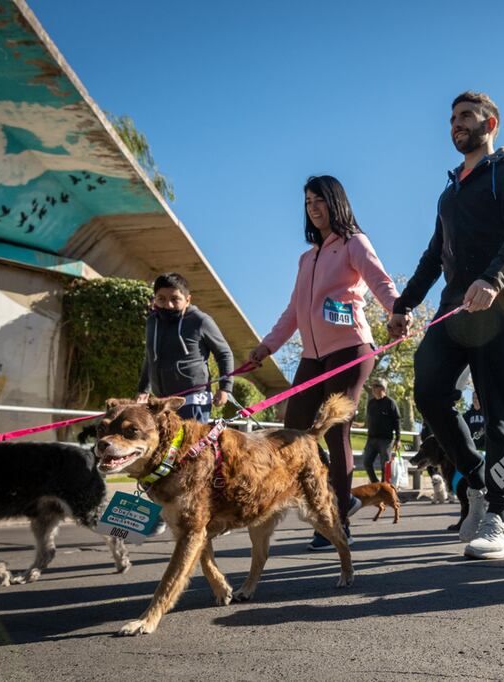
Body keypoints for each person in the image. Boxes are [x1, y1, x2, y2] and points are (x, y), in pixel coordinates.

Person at [387, 91, 504, 560]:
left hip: (500, 304)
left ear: (490, 122)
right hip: (453, 310)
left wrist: (493, 279)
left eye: (466, 116)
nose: (456, 124)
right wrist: (403, 304)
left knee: (498, 414)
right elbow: (434, 256)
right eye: (452, 117)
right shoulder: (449, 191)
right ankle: (474, 476)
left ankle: (499, 518)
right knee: (429, 391)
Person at [249, 175, 400, 550]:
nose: (313, 208)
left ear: (337, 202)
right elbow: (294, 311)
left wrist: (399, 312)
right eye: (308, 203)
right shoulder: (307, 258)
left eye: (320, 200)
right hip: (312, 356)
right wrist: (266, 347)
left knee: (335, 431)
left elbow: (381, 282)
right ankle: (338, 495)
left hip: (351, 349)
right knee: (294, 429)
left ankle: (336, 520)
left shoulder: (353, 243)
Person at [137, 272, 234, 423]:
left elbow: (224, 353)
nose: (168, 305)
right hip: (162, 403)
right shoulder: (152, 322)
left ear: (187, 300)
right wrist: (143, 390)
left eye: (175, 299)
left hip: (193, 401)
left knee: (190, 446)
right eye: (161, 299)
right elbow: (150, 358)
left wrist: (225, 388)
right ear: (154, 298)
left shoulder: (200, 321)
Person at [363, 379, 402, 483]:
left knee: (385, 466)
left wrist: (398, 439)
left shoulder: (390, 403)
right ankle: (375, 484)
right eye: (373, 386)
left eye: (376, 386)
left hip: (386, 441)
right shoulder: (371, 403)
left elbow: (397, 421)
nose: (373, 388)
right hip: (371, 440)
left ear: (383, 388)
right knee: (366, 462)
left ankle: (385, 487)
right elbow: (369, 420)